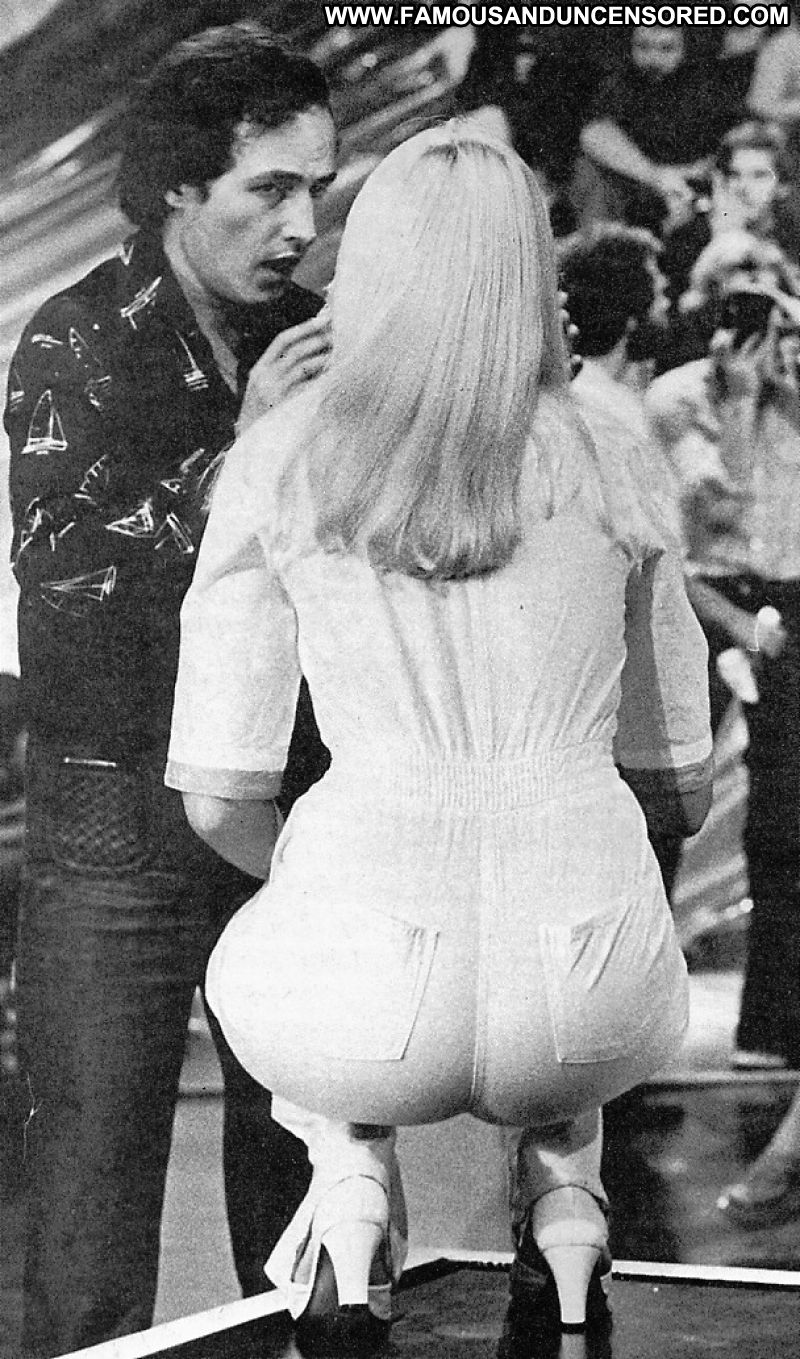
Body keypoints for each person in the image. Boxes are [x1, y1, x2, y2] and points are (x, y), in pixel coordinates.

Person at [165, 123, 713, 1354]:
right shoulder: (615, 453)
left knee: (267, 953)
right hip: (586, 995)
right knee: (567, 1035)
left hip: (365, 1005)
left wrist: (315, 871)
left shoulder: (278, 461)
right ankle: (564, 1197)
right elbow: (676, 778)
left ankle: (352, 1182)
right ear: (531, 269)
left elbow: (218, 793)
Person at [3, 22, 336, 1356]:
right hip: (113, 819)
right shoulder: (74, 337)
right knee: (87, 1236)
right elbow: (66, 589)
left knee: (318, 1217)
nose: (302, 225)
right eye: (272, 188)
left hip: (287, 809)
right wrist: (242, 459)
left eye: (317, 188)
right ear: (179, 185)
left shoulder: (318, 339)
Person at [646, 244, 800, 1071]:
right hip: (700, 601)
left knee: (785, 820)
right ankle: (632, 1020)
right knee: (665, 805)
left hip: (785, 602)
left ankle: (771, 1026)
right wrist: (739, 403)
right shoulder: (675, 400)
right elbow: (719, 503)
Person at [558, 225, 687, 899]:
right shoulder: (593, 415)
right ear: (632, 311)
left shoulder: (622, 405)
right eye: (658, 290)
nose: (670, 303)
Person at [574, 24, 744, 235]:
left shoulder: (706, 86)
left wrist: (694, 175)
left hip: (693, 186)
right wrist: (658, 178)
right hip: (635, 185)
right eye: (643, 47)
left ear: (684, 49)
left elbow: (733, 139)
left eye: (666, 49)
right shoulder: (620, 84)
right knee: (588, 172)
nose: (653, 58)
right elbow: (594, 134)